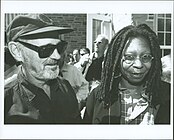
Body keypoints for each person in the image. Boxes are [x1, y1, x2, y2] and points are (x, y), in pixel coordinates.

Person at [83, 24, 170, 124]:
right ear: (117, 59)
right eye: (129, 57)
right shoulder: (98, 96)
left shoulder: (168, 95)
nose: (138, 65)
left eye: (146, 57)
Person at [4, 14, 81, 124]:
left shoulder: (65, 87)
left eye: (60, 47)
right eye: (46, 49)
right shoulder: (6, 101)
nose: (57, 56)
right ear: (17, 51)